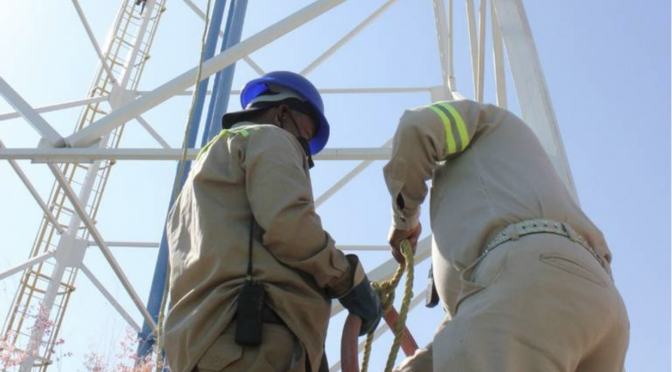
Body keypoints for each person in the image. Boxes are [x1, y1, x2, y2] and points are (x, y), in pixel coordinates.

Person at [383, 99, 629, 372]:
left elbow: (416, 127)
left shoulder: (483, 120)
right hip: (604, 307)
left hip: (530, 279)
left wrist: (405, 219)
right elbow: (477, 323)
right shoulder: (517, 175)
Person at [164, 71, 382, 372]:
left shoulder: (200, 176)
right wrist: (349, 281)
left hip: (204, 347)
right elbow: (289, 226)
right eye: (304, 136)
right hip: (252, 341)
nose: (304, 151)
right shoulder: (270, 137)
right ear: (282, 114)